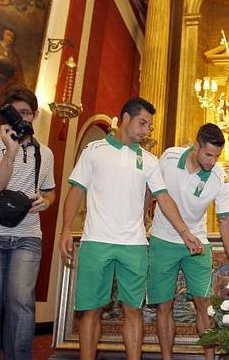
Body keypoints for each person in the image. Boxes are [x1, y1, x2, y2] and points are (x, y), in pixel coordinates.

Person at [59, 97, 204, 360]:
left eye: (149, 125)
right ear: (125, 118)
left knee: (133, 310)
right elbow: (76, 190)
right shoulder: (94, 150)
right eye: (142, 123)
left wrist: (185, 231)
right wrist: (66, 230)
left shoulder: (149, 160)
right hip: (96, 241)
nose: (147, 130)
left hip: (135, 244)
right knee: (91, 310)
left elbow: (163, 198)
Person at [0, 88, 56, 359]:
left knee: (22, 305)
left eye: (26, 113)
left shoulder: (46, 153)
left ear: (36, 115)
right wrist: (11, 152)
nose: (21, 119)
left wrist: (46, 202)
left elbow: (50, 190)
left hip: (27, 235)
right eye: (15, 113)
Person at [147, 123, 229, 360]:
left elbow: (225, 222)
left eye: (217, 156)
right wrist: (143, 217)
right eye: (208, 154)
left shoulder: (220, 176)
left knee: (204, 304)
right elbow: (151, 191)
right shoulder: (169, 158)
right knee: (164, 306)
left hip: (199, 242)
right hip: (163, 239)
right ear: (195, 146)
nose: (212, 161)